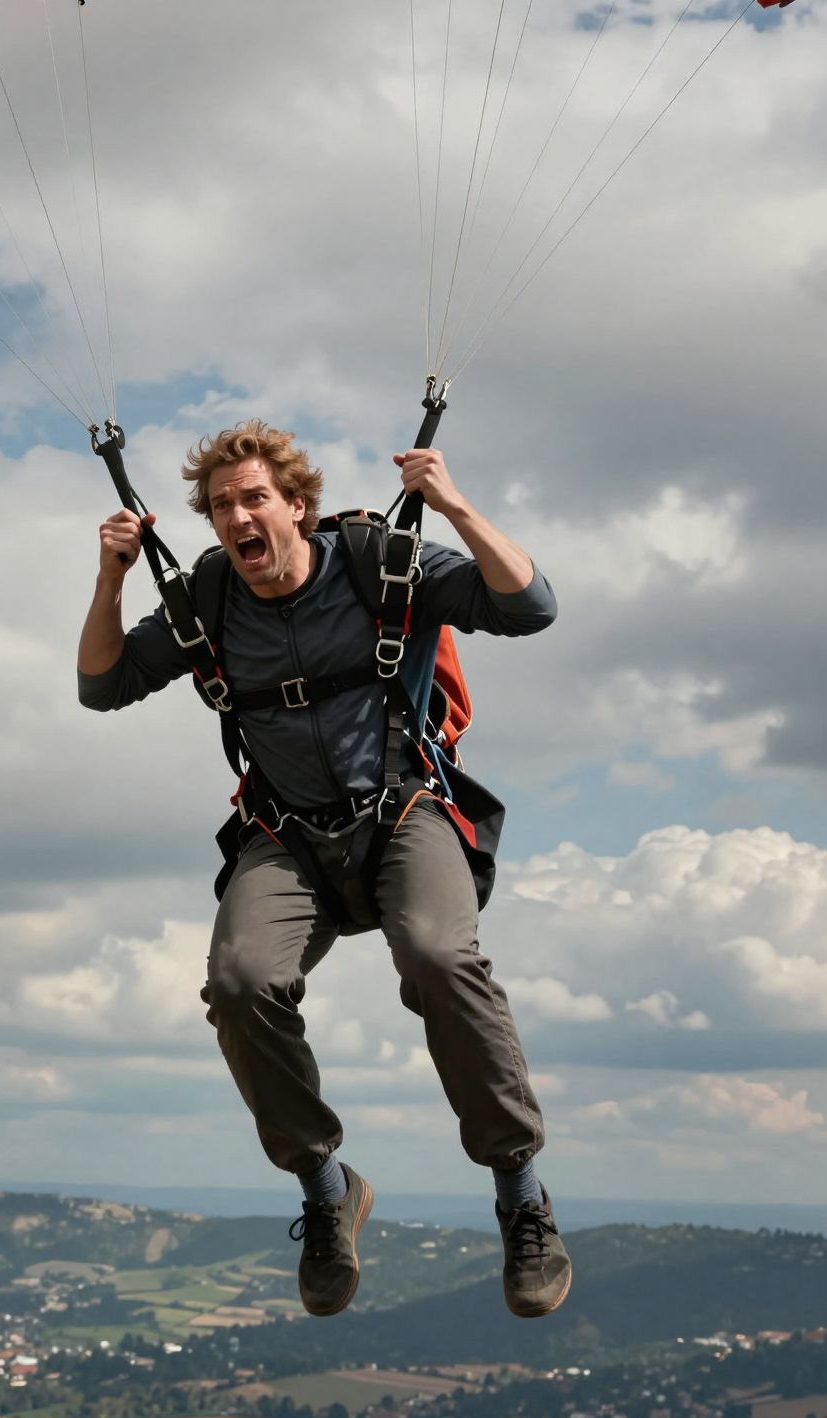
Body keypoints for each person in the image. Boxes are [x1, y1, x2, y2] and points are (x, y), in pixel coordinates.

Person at [76, 420, 572, 1320]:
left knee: (437, 957)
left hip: (401, 811)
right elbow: (103, 685)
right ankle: (325, 1188)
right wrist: (111, 578)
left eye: (255, 498)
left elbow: (529, 604)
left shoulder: (379, 564)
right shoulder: (210, 599)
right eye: (223, 506)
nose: (237, 517)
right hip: (285, 834)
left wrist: (452, 503)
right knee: (238, 980)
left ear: (296, 506)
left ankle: (521, 1193)